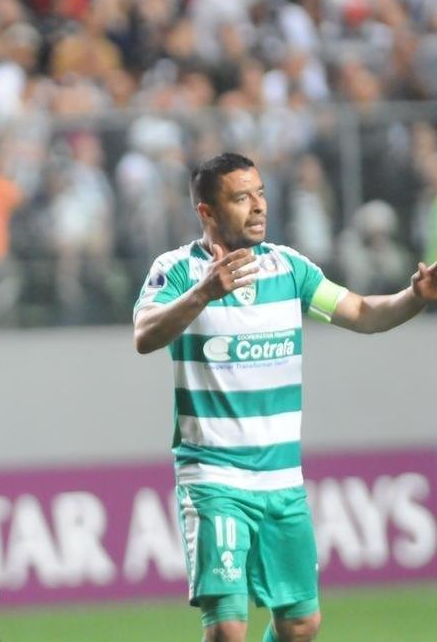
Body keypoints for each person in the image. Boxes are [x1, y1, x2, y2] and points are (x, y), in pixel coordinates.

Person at [132, 152, 437, 642]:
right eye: (240, 197)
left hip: (282, 478)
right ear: (206, 212)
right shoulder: (178, 270)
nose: (257, 207)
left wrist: (414, 297)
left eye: (261, 193)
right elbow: (145, 335)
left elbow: (360, 311)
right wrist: (202, 296)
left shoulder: (287, 268)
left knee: (300, 624)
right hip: (214, 478)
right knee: (228, 629)